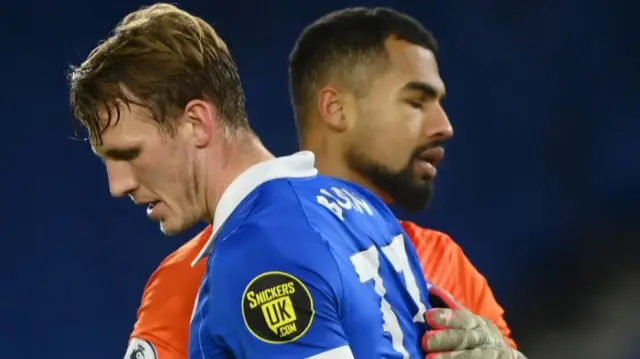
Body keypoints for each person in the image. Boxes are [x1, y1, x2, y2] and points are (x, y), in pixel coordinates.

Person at [106, 6, 524, 359]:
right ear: (335, 108)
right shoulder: (190, 277)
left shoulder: (442, 259)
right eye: (415, 102)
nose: (443, 126)